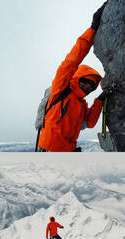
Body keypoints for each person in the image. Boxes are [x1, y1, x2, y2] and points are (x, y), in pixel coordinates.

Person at [37, 2, 113, 152]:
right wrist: (92, 30)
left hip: (69, 153)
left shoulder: (81, 103)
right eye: (85, 82)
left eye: (91, 85)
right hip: (49, 152)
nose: (87, 87)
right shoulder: (61, 88)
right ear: (77, 78)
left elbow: (90, 123)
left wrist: (99, 101)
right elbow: (72, 60)